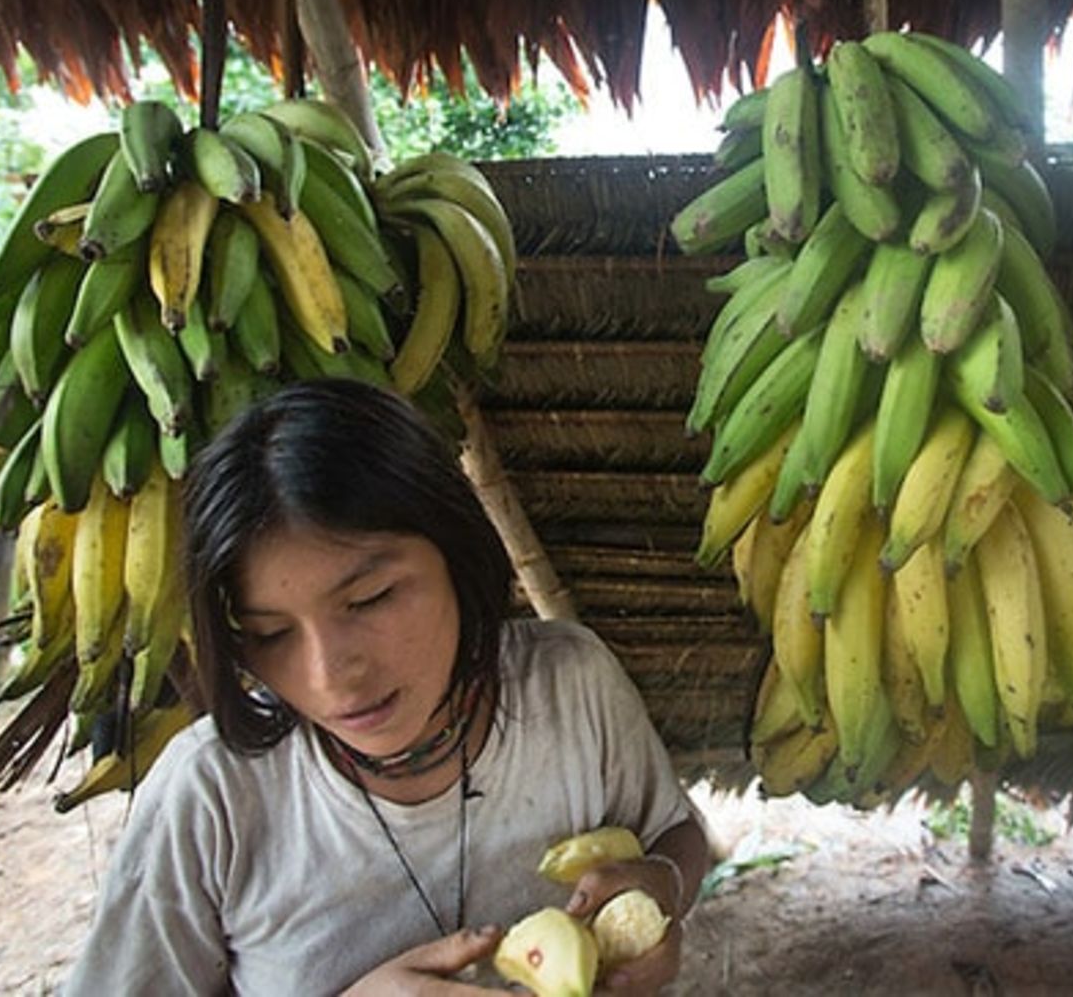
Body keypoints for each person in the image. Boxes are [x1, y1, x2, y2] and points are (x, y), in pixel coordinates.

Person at [66, 378, 708, 995]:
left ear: (459, 558)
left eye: (370, 599)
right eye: (270, 633)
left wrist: (664, 888)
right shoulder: (213, 800)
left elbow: (672, 832)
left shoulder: (569, 686)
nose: (330, 675)